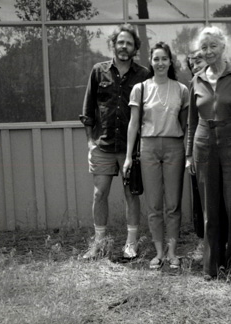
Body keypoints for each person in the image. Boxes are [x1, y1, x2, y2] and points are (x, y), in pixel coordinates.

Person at [186, 26, 231, 281]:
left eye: (213, 45)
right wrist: (190, 154)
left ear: (224, 47)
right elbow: (192, 121)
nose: (209, 51)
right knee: (209, 206)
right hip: (204, 143)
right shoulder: (196, 80)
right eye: (204, 47)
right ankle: (212, 264)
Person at [80, 24, 149, 260]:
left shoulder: (143, 75)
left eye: (129, 43)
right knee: (99, 194)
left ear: (134, 48)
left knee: (132, 194)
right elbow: (88, 110)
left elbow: (148, 113)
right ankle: (99, 245)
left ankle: (131, 245)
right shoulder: (99, 72)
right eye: (120, 42)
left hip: (131, 148)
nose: (124, 46)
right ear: (114, 44)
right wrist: (90, 142)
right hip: (103, 145)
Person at [124, 42, 189, 270]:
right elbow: (133, 125)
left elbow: (185, 125)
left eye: (165, 58)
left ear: (170, 62)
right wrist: (129, 156)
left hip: (174, 147)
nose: (160, 63)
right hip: (148, 147)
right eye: (156, 59)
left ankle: (172, 252)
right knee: (153, 204)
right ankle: (159, 252)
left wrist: (187, 152)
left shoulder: (182, 89)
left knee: (172, 203)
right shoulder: (140, 88)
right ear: (151, 62)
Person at [186, 49, 207, 239]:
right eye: (192, 65)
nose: (195, 67)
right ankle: (203, 241)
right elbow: (191, 123)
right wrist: (189, 155)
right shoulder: (194, 85)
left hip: (223, 151)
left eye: (198, 61)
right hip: (198, 151)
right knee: (199, 199)